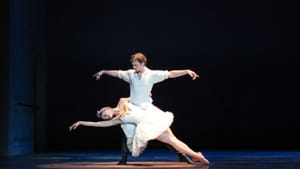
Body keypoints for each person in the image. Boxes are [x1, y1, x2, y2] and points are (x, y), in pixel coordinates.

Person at [93, 52, 199, 164]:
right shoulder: (130, 74)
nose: (133, 67)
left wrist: (186, 71)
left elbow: (170, 74)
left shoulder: (151, 74)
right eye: (133, 65)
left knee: (162, 134)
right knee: (126, 133)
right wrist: (104, 71)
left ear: (143, 63)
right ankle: (124, 159)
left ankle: (181, 154)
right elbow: (117, 73)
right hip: (134, 111)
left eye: (136, 65)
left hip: (146, 110)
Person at [69, 97, 209, 165]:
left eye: (104, 114)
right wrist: (81, 122)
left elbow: (138, 95)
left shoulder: (123, 101)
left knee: (174, 140)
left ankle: (197, 156)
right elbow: (97, 124)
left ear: (108, 108)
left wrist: (147, 94)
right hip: (148, 125)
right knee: (173, 141)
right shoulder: (119, 119)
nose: (105, 117)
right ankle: (197, 156)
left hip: (154, 116)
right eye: (104, 117)